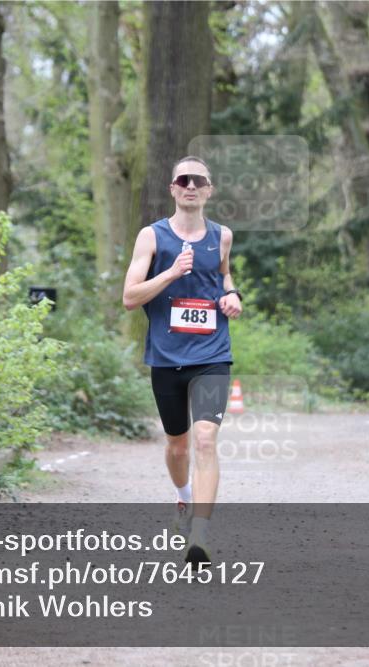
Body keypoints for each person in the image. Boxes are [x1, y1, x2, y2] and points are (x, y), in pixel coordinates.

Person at [122, 156, 242, 566]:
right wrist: (171, 273)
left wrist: (232, 296)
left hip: (212, 355)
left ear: (209, 190)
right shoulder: (151, 237)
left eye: (199, 180)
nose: (191, 185)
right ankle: (182, 498)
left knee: (205, 439)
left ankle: (201, 534)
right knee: (178, 446)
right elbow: (129, 298)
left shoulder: (222, 236)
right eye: (183, 180)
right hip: (166, 356)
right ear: (173, 188)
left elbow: (223, 276)